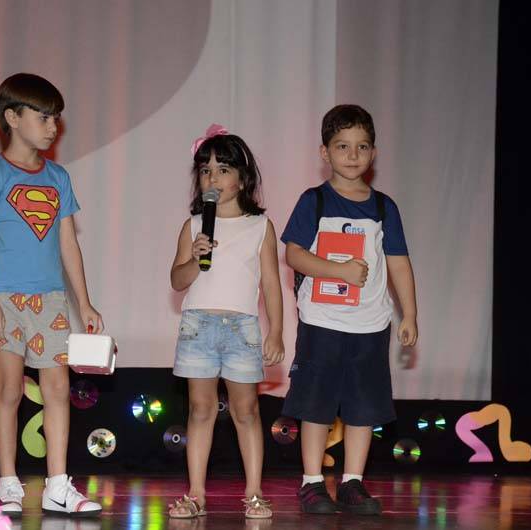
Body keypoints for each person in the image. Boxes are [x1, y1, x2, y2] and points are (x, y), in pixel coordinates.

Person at [0, 73, 103, 518]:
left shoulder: (58, 177)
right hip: (7, 299)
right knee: (8, 390)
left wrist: (83, 301)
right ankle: (8, 483)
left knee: (58, 388)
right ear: (12, 117)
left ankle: (58, 485)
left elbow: (68, 244)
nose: (52, 127)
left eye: (56, 118)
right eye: (43, 117)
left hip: (51, 300)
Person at [281, 104, 418, 515]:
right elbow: (293, 254)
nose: (353, 155)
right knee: (316, 405)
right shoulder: (314, 201)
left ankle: (352, 481)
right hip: (322, 321)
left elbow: (398, 262)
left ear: (373, 152)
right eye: (342, 146)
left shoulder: (384, 207)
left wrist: (410, 313)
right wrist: (337, 270)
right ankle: (311, 481)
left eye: (362, 146)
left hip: (370, 324)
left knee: (363, 408)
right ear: (325, 152)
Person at [168, 125, 285, 519]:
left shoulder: (260, 226)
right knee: (200, 410)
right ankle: (196, 494)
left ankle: (254, 493)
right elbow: (177, 280)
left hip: (242, 329)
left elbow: (271, 283)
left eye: (223, 170)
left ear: (243, 178)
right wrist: (194, 257)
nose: (213, 178)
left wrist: (276, 332)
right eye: (206, 170)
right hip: (198, 326)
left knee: (246, 410)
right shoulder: (194, 225)